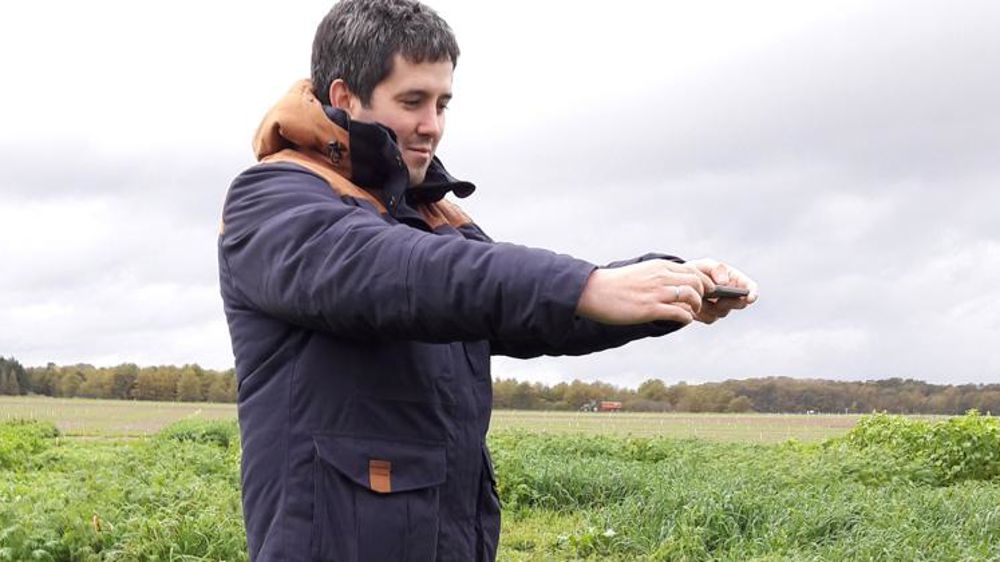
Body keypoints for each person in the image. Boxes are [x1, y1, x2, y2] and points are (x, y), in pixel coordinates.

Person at [217, 0, 758, 560]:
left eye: (442, 103)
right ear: (344, 98)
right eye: (412, 101)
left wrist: (668, 286)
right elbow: (404, 273)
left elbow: (515, 307)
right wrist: (587, 284)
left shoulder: (431, 216)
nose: (433, 125)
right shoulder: (272, 200)